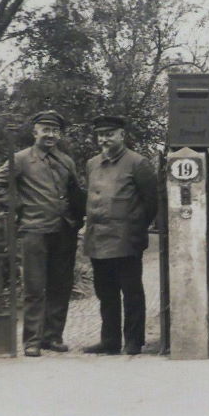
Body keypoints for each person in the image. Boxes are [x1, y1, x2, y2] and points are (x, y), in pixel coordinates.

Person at [0, 110, 84, 358]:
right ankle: (32, 340)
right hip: (34, 230)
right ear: (35, 132)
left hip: (64, 231)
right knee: (34, 287)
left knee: (61, 286)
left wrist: (77, 216)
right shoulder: (20, 159)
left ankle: (53, 337)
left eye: (54, 130)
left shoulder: (66, 161)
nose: (50, 135)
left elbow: (74, 191)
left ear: (59, 134)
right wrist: (18, 206)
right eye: (45, 129)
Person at [83, 115, 159, 356]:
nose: (104, 139)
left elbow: (151, 202)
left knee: (132, 292)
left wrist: (135, 227)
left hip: (126, 239)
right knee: (106, 293)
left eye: (109, 134)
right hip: (98, 239)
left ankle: (134, 341)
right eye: (101, 134)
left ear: (121, 136)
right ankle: (110, 341)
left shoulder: (138, 163)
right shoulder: (92, 164)